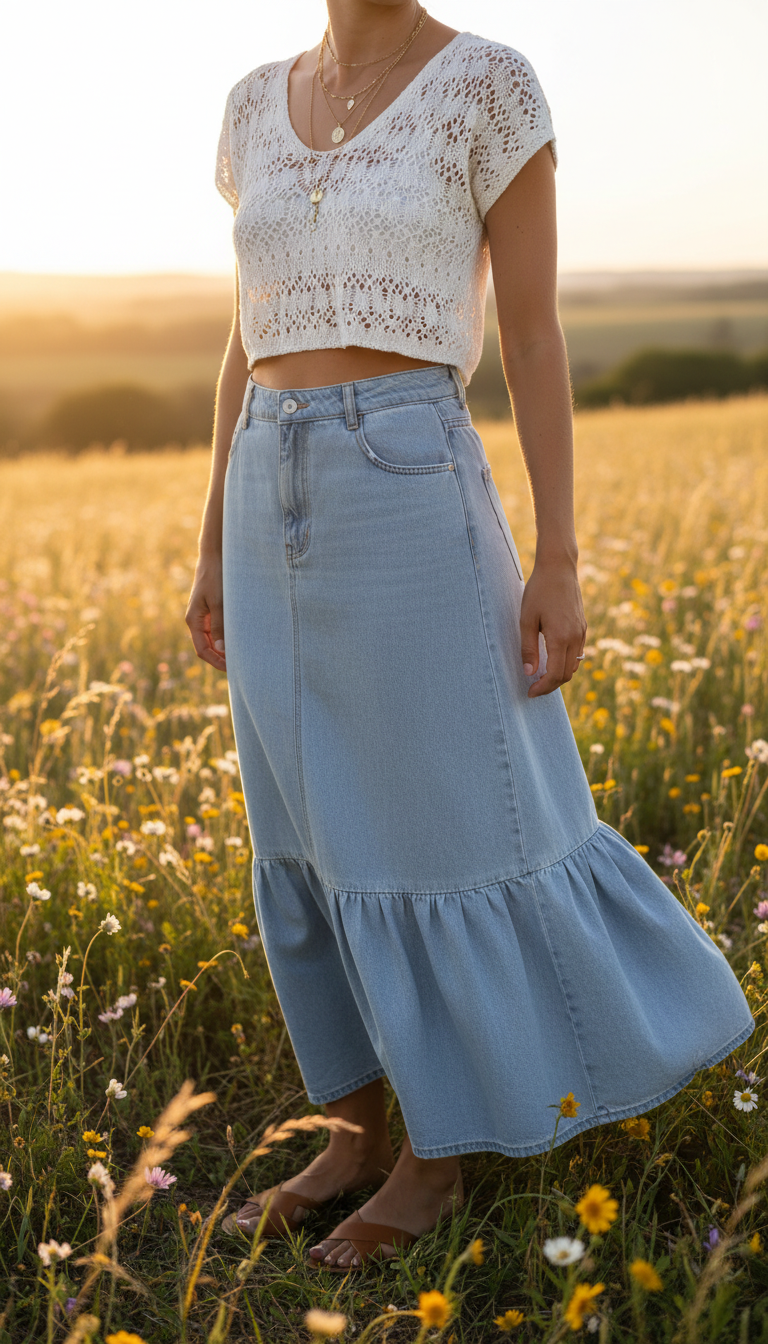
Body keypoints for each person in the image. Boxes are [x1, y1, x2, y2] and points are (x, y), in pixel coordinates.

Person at [186, 0, 754, 1272]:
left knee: (427, 821)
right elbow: (245, 335)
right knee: (301, 829)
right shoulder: (247, 103)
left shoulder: (490, 87)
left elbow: (535, 332)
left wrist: (557, 556)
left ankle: (435, 1165)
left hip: (408, 472)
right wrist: (212, 529)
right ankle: (350, 1134)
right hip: (266, 475)